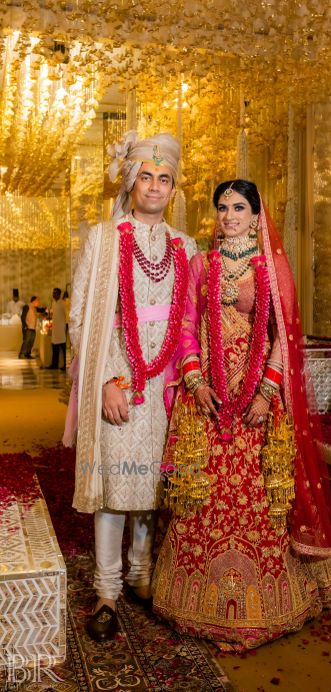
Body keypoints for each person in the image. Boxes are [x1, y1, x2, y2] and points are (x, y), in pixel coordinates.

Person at [152, 179, 331, 651]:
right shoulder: (202, 264)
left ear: (256, 215)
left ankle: (266, 606)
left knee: (259, 497)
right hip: (207, 402)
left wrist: (267, 390)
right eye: (222, 208)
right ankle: (199, 605)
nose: (228, 216)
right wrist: (196, 380)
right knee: (203, 495)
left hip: (257, 396)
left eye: (238, 207)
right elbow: (184, 326)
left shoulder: (272, 268)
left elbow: (284, 334)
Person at [66, 131, 196, 642]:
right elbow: (80, 318)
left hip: (167, 381)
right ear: (131, 179)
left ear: (173, 188)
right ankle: (106, 591)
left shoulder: (185, 247)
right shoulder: (104, 238)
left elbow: (192, 321)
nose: (155, 187)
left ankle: (142, 572)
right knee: (115, 486)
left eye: (165, 179)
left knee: (152, 486)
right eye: (146, 176)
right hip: (119, 371)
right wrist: (102, 382)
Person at [48, 288, 67, 370]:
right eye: (53, 293)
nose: (54, 295)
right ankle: (54, 365)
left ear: (59, 294)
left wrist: (66, 326)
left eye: (55, 293)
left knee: (63, 348)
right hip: (55, 329)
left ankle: (65, 365)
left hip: (61, 329)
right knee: (54, 347)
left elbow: (66, 315)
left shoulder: (63, 303)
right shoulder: (53, 303)